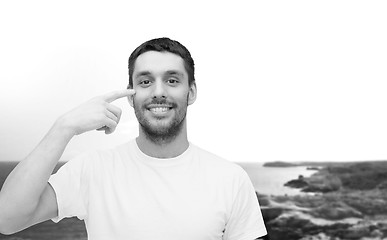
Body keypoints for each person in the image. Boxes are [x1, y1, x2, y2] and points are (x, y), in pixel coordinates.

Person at [0, 37, 267, 239]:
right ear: (131, 93)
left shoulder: (230, 179)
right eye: (145, 81)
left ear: (192, 92)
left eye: (172, 80)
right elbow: (7, 218)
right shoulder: (93, 170)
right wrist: (64, 127)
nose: (158, 92)